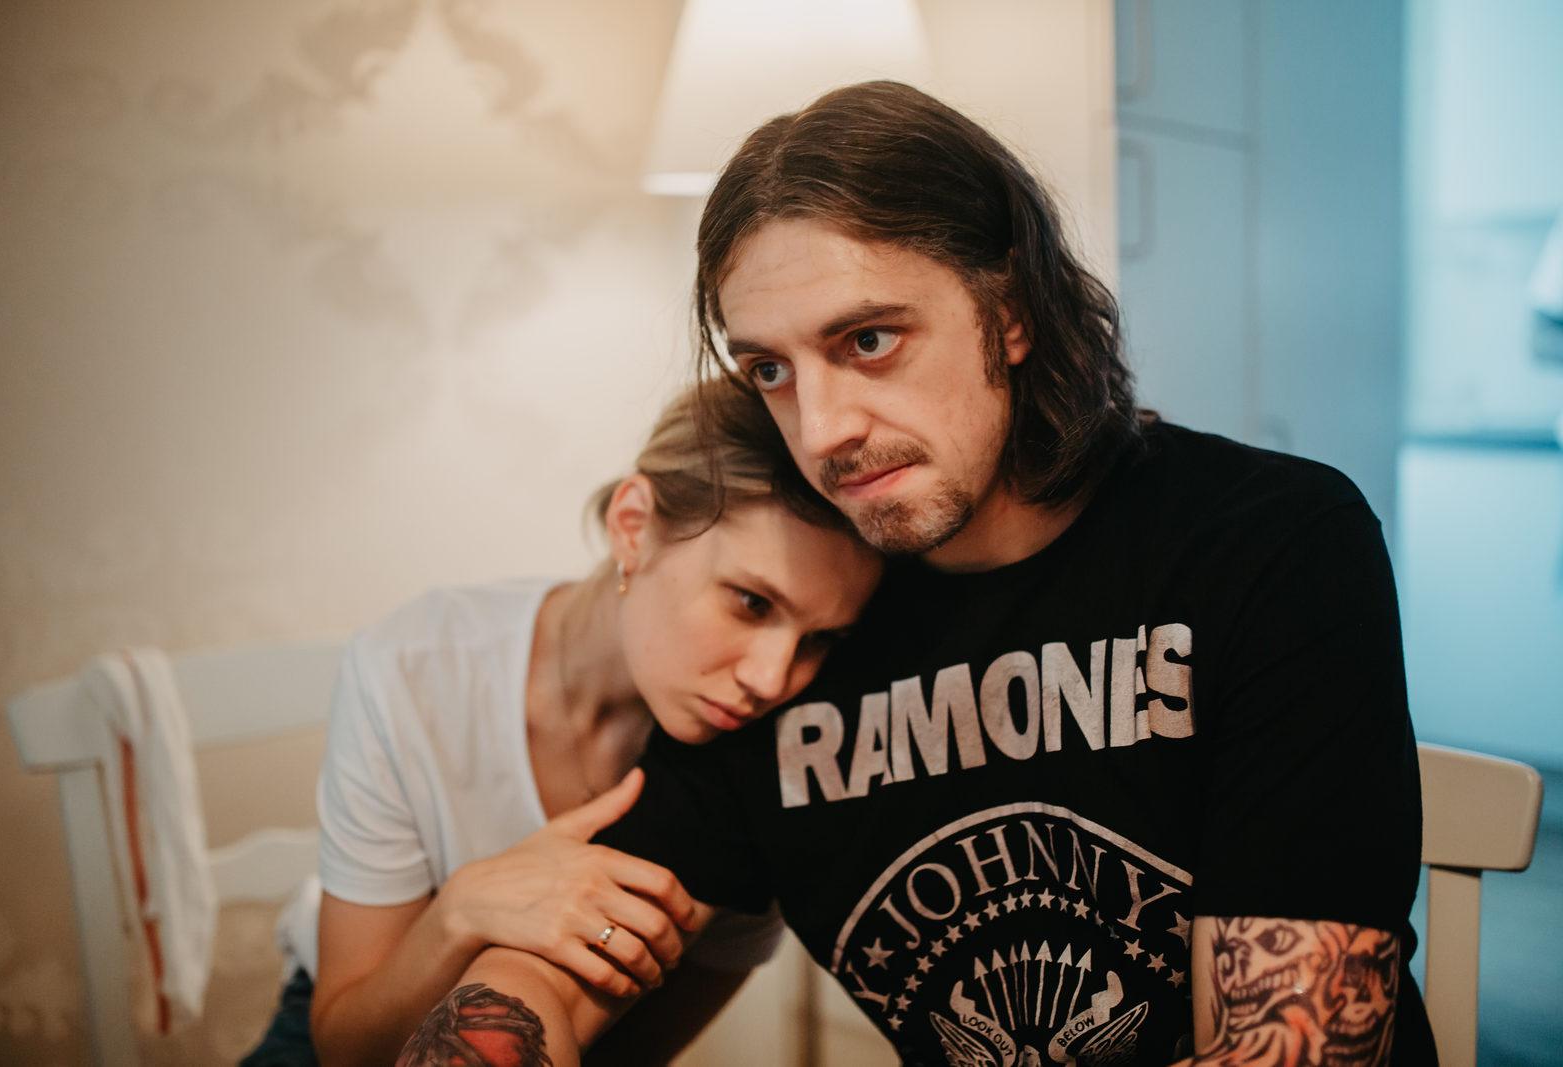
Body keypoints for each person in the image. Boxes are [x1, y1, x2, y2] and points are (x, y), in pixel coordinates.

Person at [397, 81, 1434, 1067]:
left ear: (1011, 308)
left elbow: (1289, 1044)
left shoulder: (1265, 542)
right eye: (770, 369)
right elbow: (533, 981)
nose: (821, 430)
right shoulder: (802, 628)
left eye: (869, 338)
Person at [239, 381, 883, 1066]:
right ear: (633, 526)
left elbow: (634, 1051)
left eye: (820, 639)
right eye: (751, 603)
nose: (772, 679)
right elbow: (344, 1046)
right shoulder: (413, 672)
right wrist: (461, 910)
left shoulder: (771, 755)